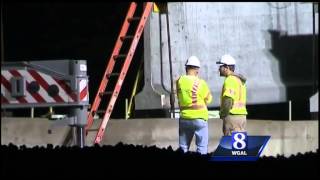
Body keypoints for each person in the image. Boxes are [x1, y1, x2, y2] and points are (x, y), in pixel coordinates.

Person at [176, 55, 213, 154]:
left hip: (184, 118)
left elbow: (179, 97)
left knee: (183, 147)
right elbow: (209, 99)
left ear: (186, 68)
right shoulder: (201, 83)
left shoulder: (179, 81)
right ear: (197, 70)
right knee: (201, 147)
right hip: (200, 119)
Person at [216, 54, 248, 136]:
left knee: (229, 143)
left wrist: (223, 113)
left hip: (232, 116)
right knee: (239, 146)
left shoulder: (230, 80)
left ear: (226, 67)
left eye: (221, 66)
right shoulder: (239, 81)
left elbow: (228, 100)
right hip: (242, 116)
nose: (219, 69)